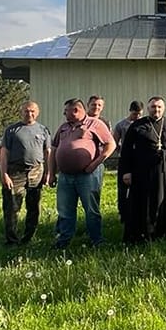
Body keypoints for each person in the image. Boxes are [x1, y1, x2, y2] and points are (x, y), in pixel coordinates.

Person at [51, 98, 115, 248]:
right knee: (65, 210)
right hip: (65, 176)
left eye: (66, 111)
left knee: (91, 209)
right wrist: (51, 172)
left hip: (86, 175)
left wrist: (95, 163)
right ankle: (64, 240)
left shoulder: (95, 124)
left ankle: (96, 240)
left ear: (76, 110)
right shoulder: (63, 127)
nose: (64, 114)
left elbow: (110, 144)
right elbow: (54, 149)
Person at [120, 97, 166, 243]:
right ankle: (141, 234)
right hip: (142, 172)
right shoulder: (138, 125)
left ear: (164, 108)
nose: (156, 110)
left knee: (164, 200)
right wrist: (126, 171)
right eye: (153, 107)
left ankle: (162, 234)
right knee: (143, 201)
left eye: (159, 107)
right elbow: (126, 150)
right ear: (148, 108)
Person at [0, 100, 52, 245]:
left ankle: (28, 237)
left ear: (37, 112)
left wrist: (48, 173)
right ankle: (11, 240)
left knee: (34, 206)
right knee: (12, 207)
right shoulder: (11, 130)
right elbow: (3, 154)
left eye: (32, 111)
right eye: (26, 111)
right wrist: (4, 174)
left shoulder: (43, 130)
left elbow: (47, 153)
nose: (29, 113)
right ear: (21, 112)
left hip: (36, 171)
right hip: (15, 172)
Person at [112, 100, 142, 213]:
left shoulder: (143, 124)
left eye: (139, 114)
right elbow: (114, 141)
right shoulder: (121, 125)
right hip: (125, 159)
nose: (137, 116)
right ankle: (123, 210)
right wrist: (121, 152)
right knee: (123, 186)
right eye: (135, 114)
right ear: (130, 111)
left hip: (139, 159)